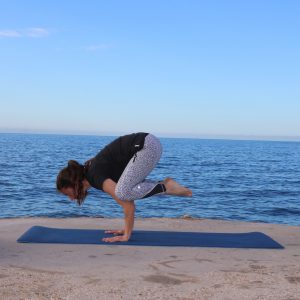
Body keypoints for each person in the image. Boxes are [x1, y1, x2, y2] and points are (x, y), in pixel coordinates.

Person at [56, 132, 192, 243]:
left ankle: (165, 186)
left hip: (146, 146)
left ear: (74, 183)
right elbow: (128, 201)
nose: (70, 198)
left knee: (122, 192)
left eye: (67, 193)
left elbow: (128, 205)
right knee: (125, 190)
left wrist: (126, 235)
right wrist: (126, 229)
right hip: (148, 144)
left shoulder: (95, 177)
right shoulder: (93, 174)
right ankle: (165, 185)